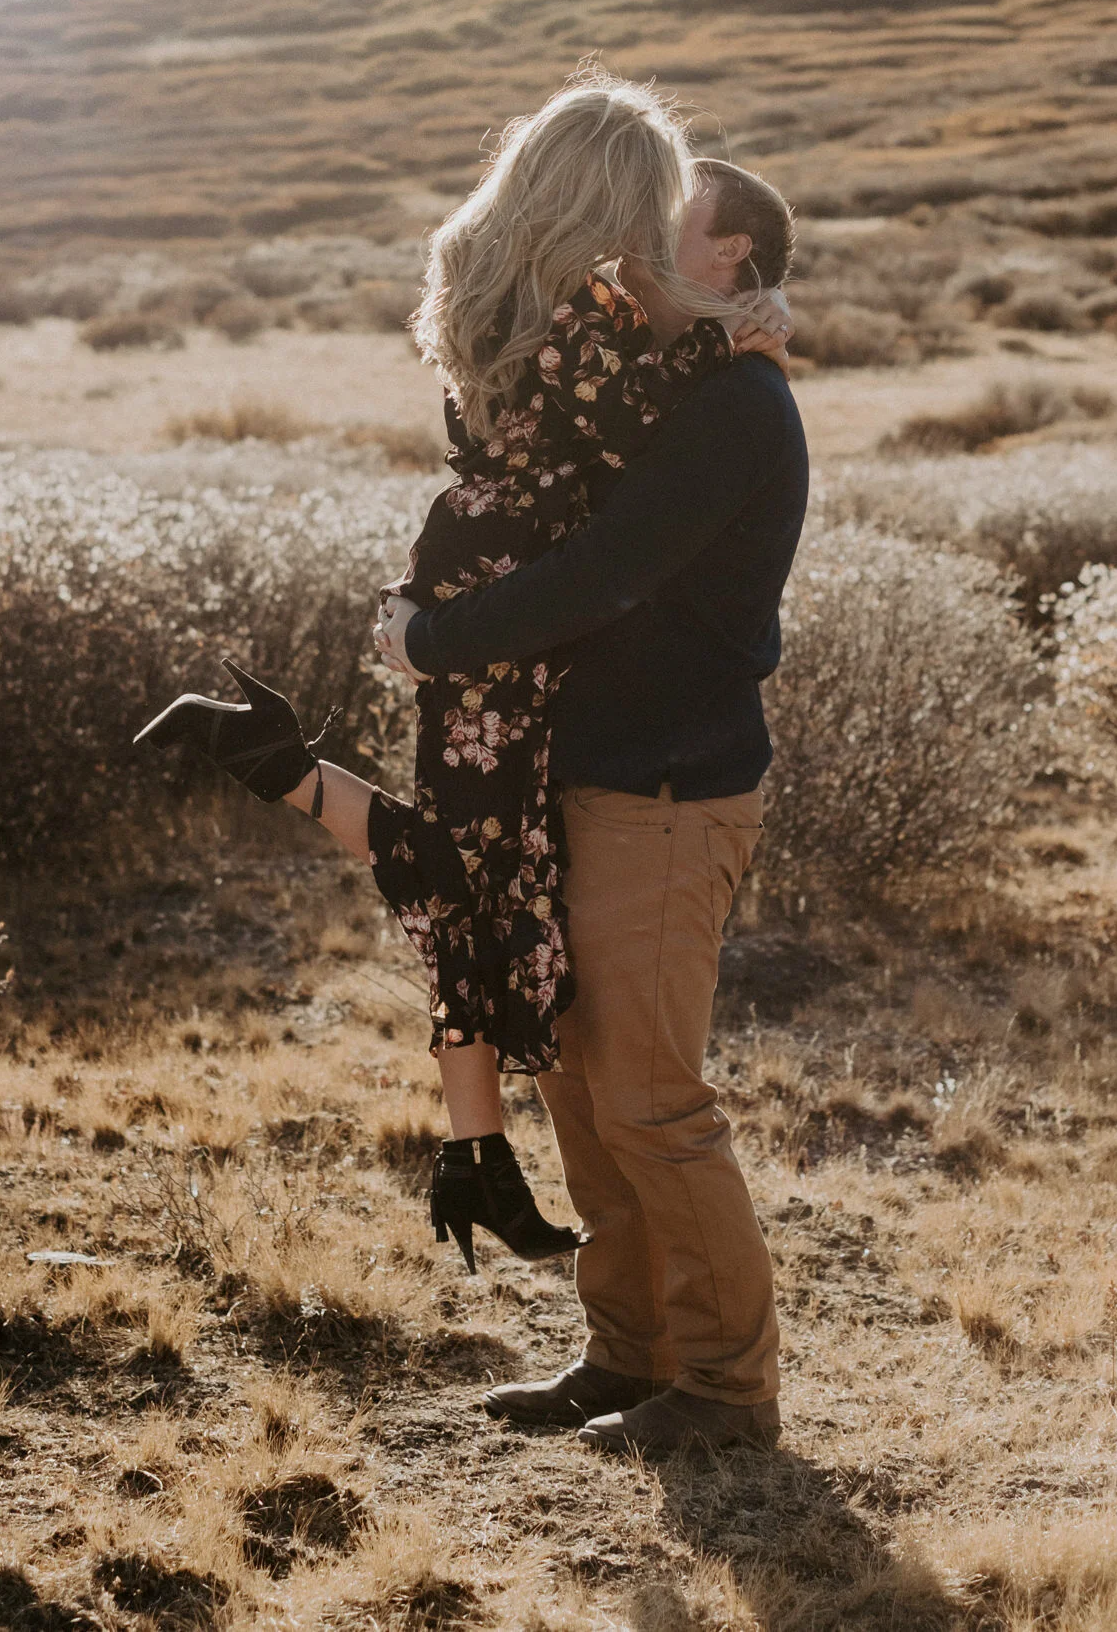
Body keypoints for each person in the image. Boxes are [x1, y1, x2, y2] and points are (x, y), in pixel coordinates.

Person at [136, 74, 790, 1280]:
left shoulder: (491, 288)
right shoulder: (603, 331)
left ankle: (493, 1167)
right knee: (492, 904)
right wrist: (732, 325)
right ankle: (502, 1185)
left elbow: (606, 500)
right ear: (614, 199)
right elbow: (621, 503)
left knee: (473, 879)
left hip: (499, 623)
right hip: (510, 643)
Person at [373, 154, 807, 1459]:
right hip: (584, 779)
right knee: (575, 1080)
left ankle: (728, 1390)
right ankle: (630, 1355)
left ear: (730, 258)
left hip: (671, 792)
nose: (630, 233)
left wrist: (435, 643)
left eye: (665, 214)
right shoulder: (668, 379)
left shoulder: (736, 407)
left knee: (653, 1099)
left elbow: (605, 572)